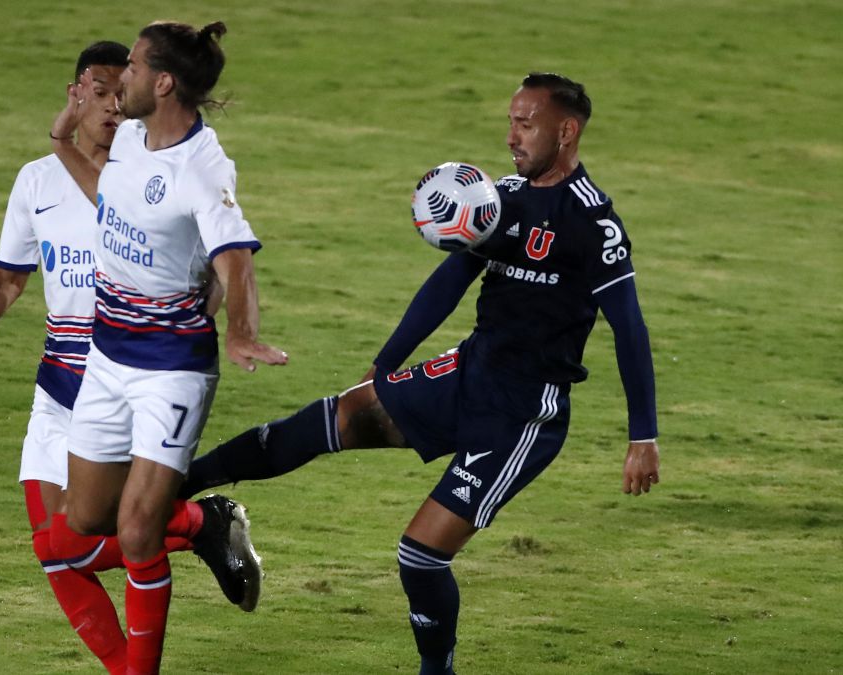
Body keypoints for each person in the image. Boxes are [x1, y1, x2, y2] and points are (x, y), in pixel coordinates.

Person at [178, 73, 661, 674]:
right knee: (338, 414)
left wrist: (643, 436)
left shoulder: (595, 224)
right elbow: (449, 283)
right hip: (465, 375)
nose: (511, 135)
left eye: (525, 123)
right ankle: (180, 487)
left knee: (420, 555)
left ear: (566, 131)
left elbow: (631, 331)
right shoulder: (499, 198)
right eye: (510, 120)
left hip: (517, 418)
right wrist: (385, 362)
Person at [0, 42, 255, 675]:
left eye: (118, 89)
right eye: (96, 91)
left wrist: (204, 321)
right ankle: (196, 523)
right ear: (76, 94)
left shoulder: (152, 172)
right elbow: (6, 281)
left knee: (101, 537)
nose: (108, 104)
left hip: (130, 381)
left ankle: (183, 526)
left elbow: (224, 257)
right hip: (59, 389)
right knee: (57, 553)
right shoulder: (40, 181)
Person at [46, 20, 287, 674]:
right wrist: (63, 138)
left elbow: (236, 258)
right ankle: (206, 524)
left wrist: (239, 329)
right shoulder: (127, 138)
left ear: (163, 81)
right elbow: (113, 204)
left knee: (135, 531)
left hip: (171, 372)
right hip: (107, 357)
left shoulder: (203, 169)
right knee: (88, 518)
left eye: (130, 65)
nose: (117, 75)